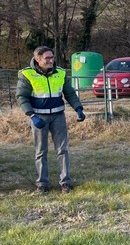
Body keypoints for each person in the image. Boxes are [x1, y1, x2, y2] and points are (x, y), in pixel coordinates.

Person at [16, 46, 86, 193]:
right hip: (38, 117)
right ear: (37, 59)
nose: (50, 60)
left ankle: (65, 182)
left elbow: (70, 94)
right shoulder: (27, 74)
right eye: (47, 58)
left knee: (63, 149)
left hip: (58, 116)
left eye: (52, 57)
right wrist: (32, 115)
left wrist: (78, 108)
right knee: (41, 151)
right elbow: (22, 97)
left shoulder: (60, 72)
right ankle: (42, 184)